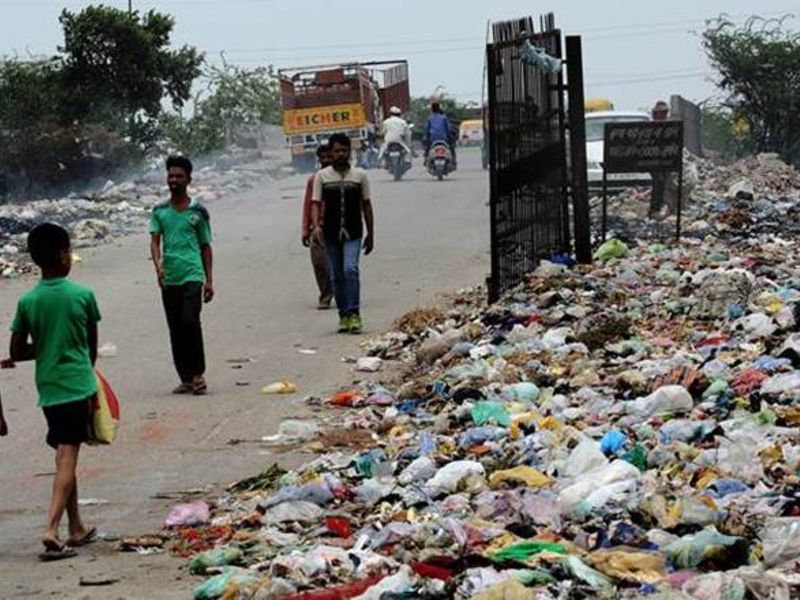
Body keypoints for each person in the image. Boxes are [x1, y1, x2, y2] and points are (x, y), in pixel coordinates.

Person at [0, 223, 101, 559]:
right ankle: (52, 528)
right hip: (77, 385)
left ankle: (77, 526)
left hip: (49, 389)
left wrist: (44, 348)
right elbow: (91, 349)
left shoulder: (28, 301)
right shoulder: (83, 296)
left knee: (63, 456)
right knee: (67, 457)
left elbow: (17, 351)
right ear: (62, 256)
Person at [150, 156, 213, 395]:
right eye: (171, 176)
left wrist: (209, 280)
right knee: (175, 326)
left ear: (189, 179)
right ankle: (185, 377)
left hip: (193, 274)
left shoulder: (198, 212)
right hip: (170, 277)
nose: (174, 180)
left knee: (190, 321)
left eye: (179, 176)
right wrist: (158, 266)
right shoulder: (159, 211)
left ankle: (198, 374)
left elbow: (206, 246)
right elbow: (155, 242)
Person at [310, 133, 375, 334]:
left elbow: (366, 205)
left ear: (349, 152)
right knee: (336, 276)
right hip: (330, 233)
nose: (340, 154)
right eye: (337, 151)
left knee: (350, 270)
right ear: (331, 152)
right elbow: (315, 203)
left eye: (344, 150)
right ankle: (344, 315)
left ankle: (354, 313)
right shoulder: (322, 177)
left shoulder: (360, 176)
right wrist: (316, 227)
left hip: (354, 232)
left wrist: (371, 233)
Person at [302, 144, 334, 309]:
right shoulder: (313, 180)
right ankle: (325, 295)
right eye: (323, 158)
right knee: (319, 263)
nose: (327, 161)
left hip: (337, 227)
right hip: (318, 227)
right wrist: (305, 229)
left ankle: (342, 292)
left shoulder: (341, 177)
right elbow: (308, 204)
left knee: (340, 265)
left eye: (329, 157)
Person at [649, 100, 670, 219]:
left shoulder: (669, 129)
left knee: (663, 178)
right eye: (661, 113)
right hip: (651, 162)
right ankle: (655, 207)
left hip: (661, 162)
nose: (663, 115)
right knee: (660, 179)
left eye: (664, 113)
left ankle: (661, 205)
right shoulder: (650, 129)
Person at [425, 101, 456, 167]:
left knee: (427, 147)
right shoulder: (444, 117)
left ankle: (426, 159)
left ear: (432, 109)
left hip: (432, 138)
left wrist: (426, 137)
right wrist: (450, 136)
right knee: (451, 147)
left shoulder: (429, 118)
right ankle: (453, 160)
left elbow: (427, 130)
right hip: (443, 138)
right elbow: (448, 129)